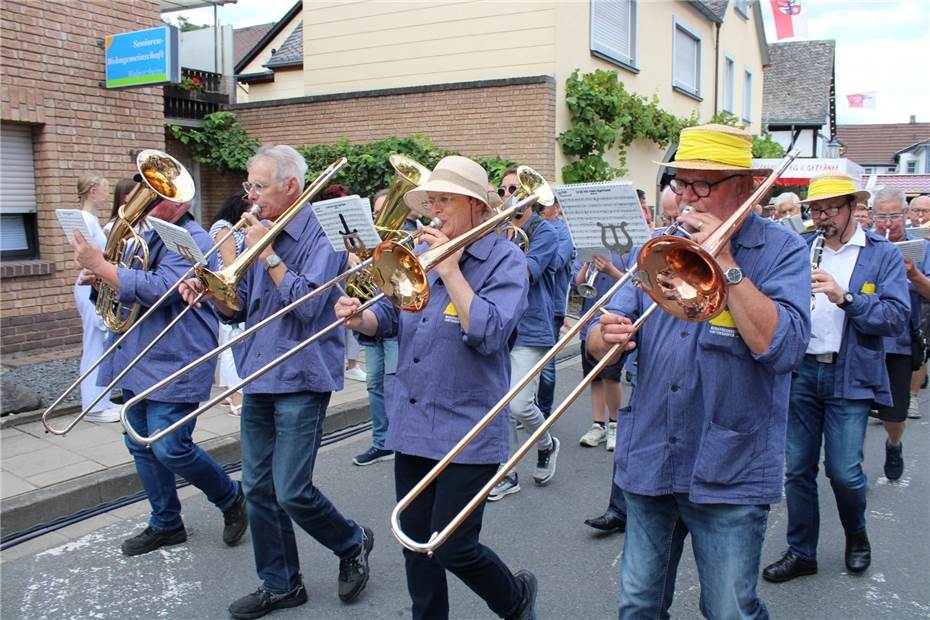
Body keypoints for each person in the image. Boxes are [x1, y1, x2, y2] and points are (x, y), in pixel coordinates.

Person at [587, 123, 811, 619]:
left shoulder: (783, 251)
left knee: (730, 610)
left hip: (730, 463)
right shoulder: (658, 244)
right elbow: (597, 334)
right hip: (652, 453)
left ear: (746, 186)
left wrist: (726, 261)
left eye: (702, 184)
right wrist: (605, 337)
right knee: (639, 604)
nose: (687, 196)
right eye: (681, 183)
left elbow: (784, 348)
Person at [335, 155, 537, 620]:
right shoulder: (420, 252)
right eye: (431, 202)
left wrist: (449, 269)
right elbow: (389, 315)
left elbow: (488, 334)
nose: (435, 212)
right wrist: (358, 316)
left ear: (476, 207)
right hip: (413, 417)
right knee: (414, 540)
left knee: (452, 545)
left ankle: (515, 599)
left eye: (445, 200)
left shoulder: (506, 260)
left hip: (469, 424)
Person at [180, 145, 372, 619]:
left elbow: (309, 307)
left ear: (291, 186)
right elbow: (240, 308)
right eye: (249, 186)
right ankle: (281, 584)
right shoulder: (257, 234)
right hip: (259, 370)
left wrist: (266, 253)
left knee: (291, 489)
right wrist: (210, 293)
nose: (251, 197)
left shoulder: (322, 235)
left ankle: (351, 540)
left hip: (303, 374)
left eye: (259, 186)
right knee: (258, 488)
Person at [72, 196, 248, 557]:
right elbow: (119, 293)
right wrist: (98, 278)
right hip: (136, 353)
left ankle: (231, 497)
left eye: (159, 194)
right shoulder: (142, 236)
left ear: (181, 201)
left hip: (176, 356)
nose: (149, 200)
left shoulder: (192, 238)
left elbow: (161, 288)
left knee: (170, 446)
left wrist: (104, 268)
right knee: (139, 442)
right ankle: (166, 522)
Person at [762, 174, 909, 584]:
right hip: (802, 368)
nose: (822, 217)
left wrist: (845, 298)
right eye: (816, 210)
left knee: (843, 470)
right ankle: (801, 551)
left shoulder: (882, 255)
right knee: (798, 470)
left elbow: (896, 318)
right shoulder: (803, 248)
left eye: (830, 209)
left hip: (850, 372)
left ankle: (856, 535)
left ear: (850, 208)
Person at [488, 168, 560, 501]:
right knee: (501, 405)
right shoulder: (498, 228)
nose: (508, 196)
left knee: (518, 406)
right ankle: (508, 473)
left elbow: (529, 271)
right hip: (501, 325)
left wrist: (502, 244)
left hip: (531, 326)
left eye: (515, 189)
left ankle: (546, 443)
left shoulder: (543, 230)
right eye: (503, 191)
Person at [865, 188, 930, 478]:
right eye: (881, 217)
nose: (888, 223)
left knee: (895, 414)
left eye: (894, 216)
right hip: (862, 340)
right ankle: (851, 468)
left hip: (899, 343)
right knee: (853, 410)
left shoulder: (922, 247)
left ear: (905, 215)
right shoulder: (862, 245)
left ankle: (894, 444)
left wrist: (913, 274)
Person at [354, 188, 398, 466]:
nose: (378, 217)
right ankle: (382, 442)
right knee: (374, 385)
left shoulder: (404, 241)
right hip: (374, 325)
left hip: (396, 326)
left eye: (383, 211)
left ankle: (401, 439)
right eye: (375, 213)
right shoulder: (367, 245)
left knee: (395, 384)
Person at [73, 174, 122, 423]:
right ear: (92, 191)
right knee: (95, 344)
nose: (106, 195)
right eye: (104, 189)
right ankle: (93, 406)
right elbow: (83, 255)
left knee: (101, 344)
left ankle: (100, 399)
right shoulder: (84, 219)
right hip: (89, 284)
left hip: (95, 282)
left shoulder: (91, 219)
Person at [573, 254, 626, 450]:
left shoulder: (628, 250)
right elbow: (577, 284)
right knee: (593, 378)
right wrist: (587, 263)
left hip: (614, 323)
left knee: (611, 377)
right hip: (589, 324)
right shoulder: (587, 250)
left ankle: (615, 423)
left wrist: (610, 270)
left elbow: (635, 286)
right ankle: (598, 424)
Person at [209, 190, 250, 416]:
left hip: (228, 291)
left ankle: (229, 394)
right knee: (233, 346)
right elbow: (230, 263)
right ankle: (237, 397)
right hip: (228, 291)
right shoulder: (225, 228)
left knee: (230, 344)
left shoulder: (229, 227)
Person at [537, 196, 574, 419]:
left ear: (557, 207)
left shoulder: (562, 233)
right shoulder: (534, 228)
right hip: (531, 304)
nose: (541, 208)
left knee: (547, 364)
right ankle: (528, 407)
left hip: (553, 305)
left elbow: (556, 263)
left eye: (546, 204)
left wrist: (539, 241)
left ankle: (544, 412)